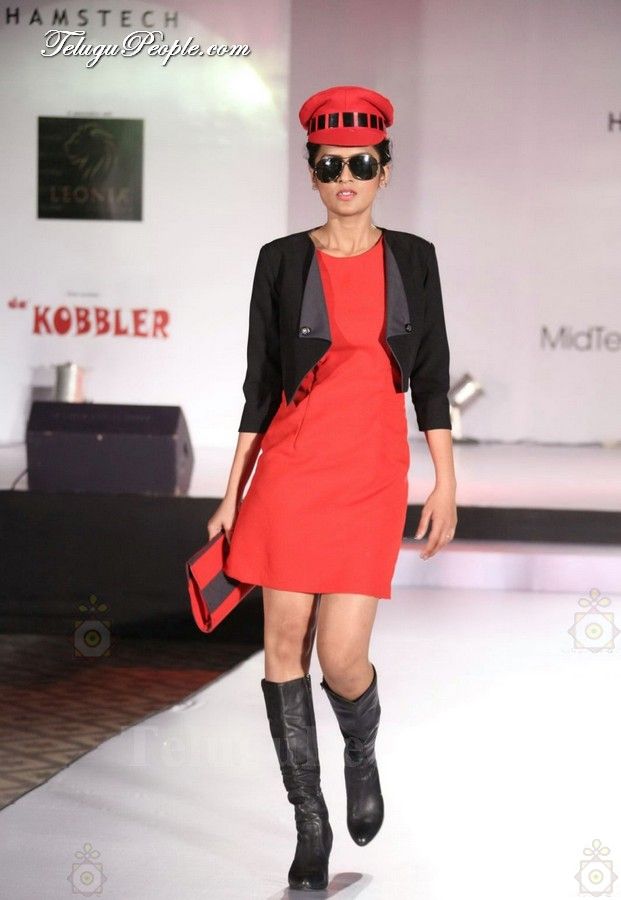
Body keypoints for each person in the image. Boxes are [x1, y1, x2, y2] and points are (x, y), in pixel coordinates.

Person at [208, 84, 458, 891]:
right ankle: (309, 823)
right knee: (283, 645)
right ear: (310, 170)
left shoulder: (412, 257)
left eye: (359, 163)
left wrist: (444, 481)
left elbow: (430, 378)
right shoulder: (280, 259)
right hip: (289, 471)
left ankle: (359, 745)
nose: (344, 177)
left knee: (342, 657)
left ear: (384, 168)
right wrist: (231, 492)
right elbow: (259, 385)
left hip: (369, 474)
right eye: (328, 165)